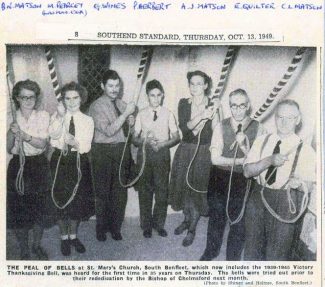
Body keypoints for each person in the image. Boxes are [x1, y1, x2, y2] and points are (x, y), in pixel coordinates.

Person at [243, 99, 316, 261]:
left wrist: (299, 184)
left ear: (298, 120)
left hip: (286, 200)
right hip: (259, 196)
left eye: (289, 118)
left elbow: (310, 187)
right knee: (252, 246)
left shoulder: (306, 150)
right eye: (280, 117)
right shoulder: (261, 141)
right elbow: (247, 172)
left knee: (278, 252)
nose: (284, 122)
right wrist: (269, 160)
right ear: (274, 118)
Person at [200, 89, 265, 261]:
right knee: (216, 216)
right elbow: (215, 159)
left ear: (248, 106)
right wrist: (241, 160)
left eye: (241, 105)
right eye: (233, 106)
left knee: (238, 221)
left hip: (243, 180)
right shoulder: (221, 126)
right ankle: (211, 251)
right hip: (219, 176)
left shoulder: (259, 128)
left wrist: (244, 146)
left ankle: (232, 260)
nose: (237, 110)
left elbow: (258, 161)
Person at [169, 70, 220, 247]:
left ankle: (192, 228)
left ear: (206, 85)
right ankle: (186, 219)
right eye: (192, 83)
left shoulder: (213, 104)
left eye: (199, 83)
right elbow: (185, 128)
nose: (195, 87)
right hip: (185, 150)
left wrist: (215, 113)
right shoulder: (184, 103)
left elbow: (217, 130)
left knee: (197, 190)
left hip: (203, 152)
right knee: (183, 188)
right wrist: (202, 115)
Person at [89, 70, 136, 242]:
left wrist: (131, 122)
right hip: (103, 151)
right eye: (110, 85)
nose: (114, 89)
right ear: (103, 86)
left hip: (121, 151)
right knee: (102, 193)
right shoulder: (96, 106)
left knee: (119, 192)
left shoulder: (123, 104)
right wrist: (125, 115)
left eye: (117, 85)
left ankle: (115, 227)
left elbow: (128, 131)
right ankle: (101, 228)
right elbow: (109, 131)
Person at [49, 82, 94, 256]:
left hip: (77, 160)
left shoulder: (87, 120)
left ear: (81, 99)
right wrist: (60, 118)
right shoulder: (58, 115)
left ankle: (73, 236)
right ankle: (64, 238)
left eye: (75, 97)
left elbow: (86, 146)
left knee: (76, 200)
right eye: (67, 98)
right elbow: (53, 137)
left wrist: (74, 142)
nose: (71, 101)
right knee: (60, 200)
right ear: (63, 100)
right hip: (60, 160)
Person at [7, 79, 50, 260]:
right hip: (18, 165)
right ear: (17, 98)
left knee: (39, 209)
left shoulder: (43, 116)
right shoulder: (10, 116)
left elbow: (43, 144)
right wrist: (11, 132)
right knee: (19, 211)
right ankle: (24, 248)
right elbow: (9, 148)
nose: (28, 100)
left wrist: (25, 136)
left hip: (38, 164)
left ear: (36, 97)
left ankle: (36, 245)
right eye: (24, 97)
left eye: (31, 96)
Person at [133, 80, 180, 238]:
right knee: (145, 191)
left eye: (158, 95)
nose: (156, 98)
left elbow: (176, 137)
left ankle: (158, 224)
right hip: (145, 155)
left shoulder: (168, 113)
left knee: (162, 191)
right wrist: (145, 141)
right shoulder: (141, 114)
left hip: (162, 154)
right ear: (147, 96)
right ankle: (146, 225)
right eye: (152, 95)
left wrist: (163, 144)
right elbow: (134, 139)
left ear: (162, 96)